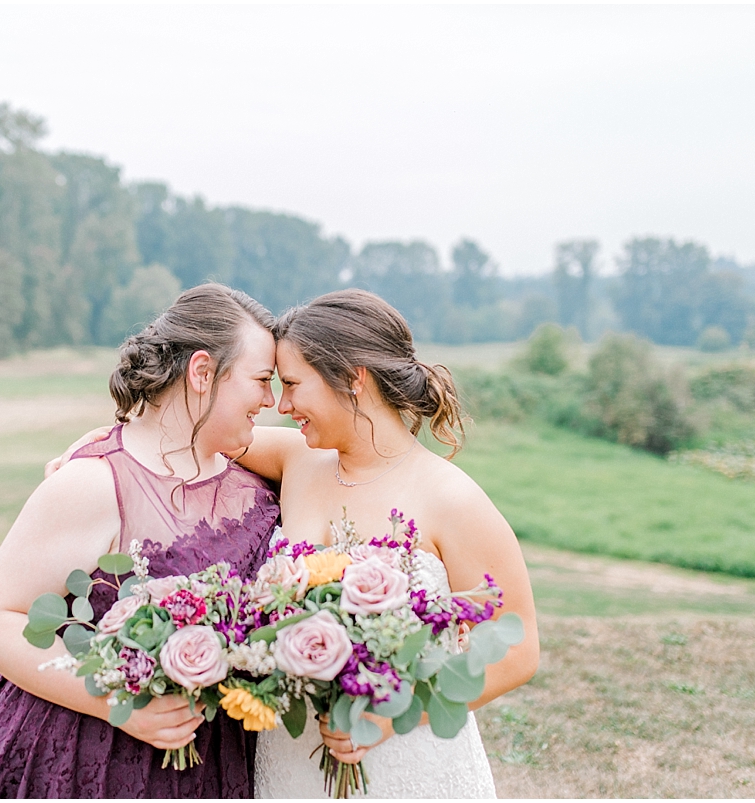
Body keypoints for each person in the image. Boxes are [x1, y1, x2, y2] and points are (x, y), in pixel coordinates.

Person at [50, 288, 539, 799]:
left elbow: (518, 650)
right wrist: (98, 445)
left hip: (404, 760)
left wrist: (395, 712)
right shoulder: (298, 460)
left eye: (293, 385)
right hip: (289, 761)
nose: (280, 405)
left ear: (353, 379)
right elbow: (179, 431)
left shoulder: (452, 499)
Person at [0, 284, 282, 798]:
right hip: (92, 754)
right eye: (261, 380)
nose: (271, 399)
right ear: (201, 373)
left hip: (217, 759)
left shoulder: (257, 478)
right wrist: (115, 702)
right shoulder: (91, 483)